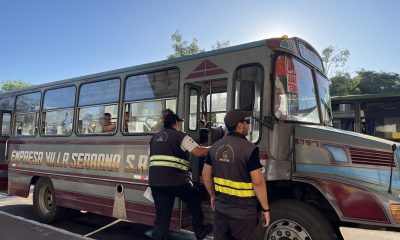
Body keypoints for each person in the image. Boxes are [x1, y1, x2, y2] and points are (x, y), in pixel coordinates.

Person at [202, 109, 270, 240]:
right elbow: (258, 182)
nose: (248, 125)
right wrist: (265, 209)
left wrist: (212, 196)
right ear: (240, 125)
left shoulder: (215, 147)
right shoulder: (250, 149)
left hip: (221, 211)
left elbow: (205, 174)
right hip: (243, 215)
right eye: (247, 122)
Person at [149, 113, 212, 240]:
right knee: (194, 197)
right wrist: (215, 147)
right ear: (176, 123)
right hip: (176, 181)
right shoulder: (181, 136)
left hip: (155, 183)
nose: (181, 124)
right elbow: (199, 152)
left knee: (162, 217)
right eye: (180, 122)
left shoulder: (154, 138)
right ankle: (199, 231)